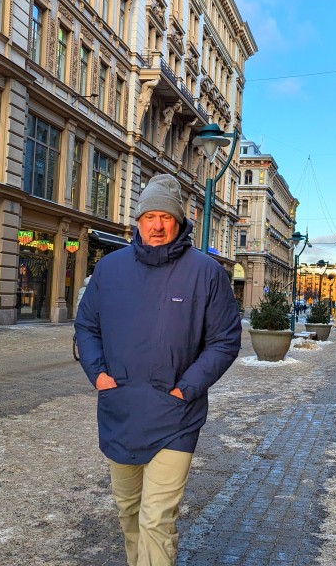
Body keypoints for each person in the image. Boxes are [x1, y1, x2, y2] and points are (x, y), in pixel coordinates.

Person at [74, 173, 242, 566]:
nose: (158, 225)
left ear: (180, 221)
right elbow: (86, 326)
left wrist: (187, 387)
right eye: (149, 216)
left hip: (175, 414)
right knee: (129, 511)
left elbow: (224, 340)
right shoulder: (110, 269)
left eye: (166, 216)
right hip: (121, 410)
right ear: (137, 221)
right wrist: (99, 376)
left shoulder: (206, 273)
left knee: (156, 520)